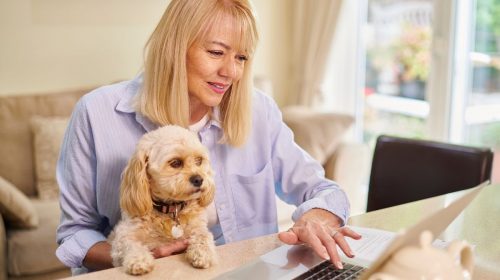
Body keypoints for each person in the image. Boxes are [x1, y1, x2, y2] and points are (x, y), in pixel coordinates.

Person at [56, 0, 361, 275]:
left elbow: (323, 190)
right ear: (174, 47)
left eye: (241, 57)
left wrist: (318, 217)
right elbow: (75, 235)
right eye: (216, 52)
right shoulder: (96, 113)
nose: (231, 72)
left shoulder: (259, 111)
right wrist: (132, 255)